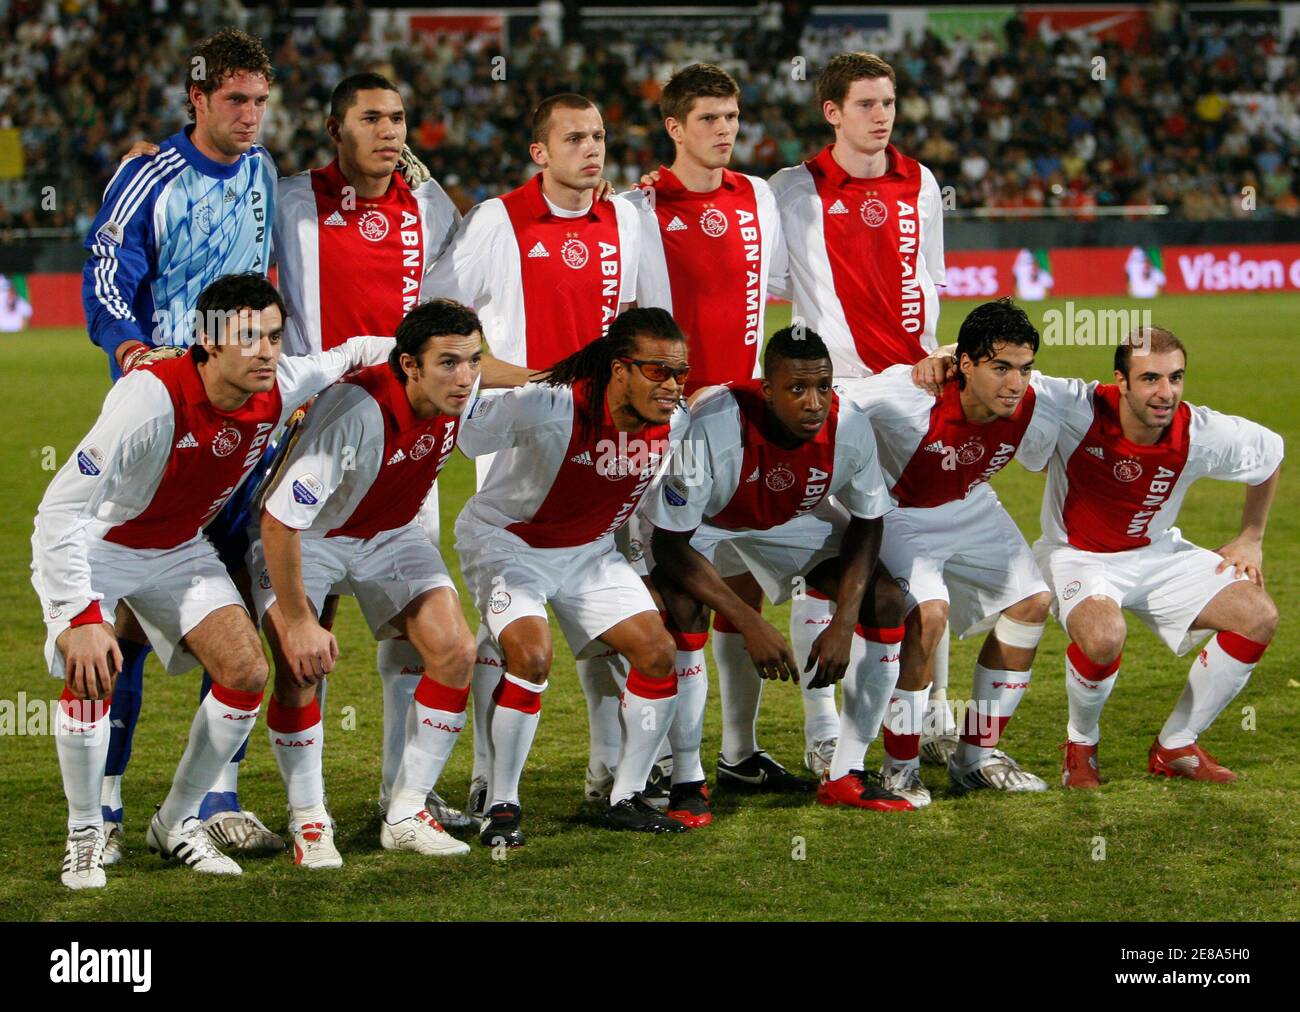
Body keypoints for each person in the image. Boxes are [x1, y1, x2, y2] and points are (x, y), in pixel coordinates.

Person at [33, 273, 396, 889]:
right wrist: (80, 615)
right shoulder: (146, 399)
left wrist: (437, 354)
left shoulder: (279, 387)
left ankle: (175, 821)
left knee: (247, 671)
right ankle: (85, 830)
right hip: (104, 548)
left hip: (178, 551)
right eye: (249, 336)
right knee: (93, 665)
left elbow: (356, 352)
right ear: (207, 339)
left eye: (275, 337)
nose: (266, 351)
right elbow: (59, 510)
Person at [80, 28, 283, 861]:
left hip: (243, 428)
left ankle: (217, 797)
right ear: (196, 100)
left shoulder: (265, 173)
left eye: (261, 102)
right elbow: (104, 265)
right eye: (235, 100)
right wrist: (130, 348)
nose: (250, 117)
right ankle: (108, 800)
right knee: (124, 617)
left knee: (236, 599)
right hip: (161, 418)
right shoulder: (150, 175)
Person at [420, 93, 640, 818]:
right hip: (519, 434)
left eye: (599, 135)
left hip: (606, 442)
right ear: (539, 152)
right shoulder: (498, 221)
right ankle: (487, 776)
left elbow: (637, 321)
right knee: (505, 614)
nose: (592, 148)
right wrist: (507, 378)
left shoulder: (625, 219)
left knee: (601, 601)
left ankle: (608, 771)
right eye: (574, 137)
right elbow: (438, 319)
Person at [616, 63, 809, 804]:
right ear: (674, 128)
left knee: (741, 588)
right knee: (677, 599)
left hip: (743, 422)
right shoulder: (636, 209)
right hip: (672, 425)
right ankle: (670, 765)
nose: (725, 130)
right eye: (708, 119)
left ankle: (737, 753)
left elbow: (780, 289)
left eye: (732, 117)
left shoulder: (759, 197)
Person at [770, 51, 958, 771]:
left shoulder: (923, 182)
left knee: (923, 555)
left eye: (889, 103)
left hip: (915, 394)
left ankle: (931, 710)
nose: (882, 117)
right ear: (832, 112)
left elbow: (931, 279)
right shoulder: (794, 191)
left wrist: (938, 355)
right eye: (866, 105)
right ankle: (823, 732)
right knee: (829, 560)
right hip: (839, 398)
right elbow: (772, 279)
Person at [250, 300, 484, 865]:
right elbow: (280, 519)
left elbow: (493, 377)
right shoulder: (357, 411)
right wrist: (301, 623)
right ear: (409, 365)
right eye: (449, 363)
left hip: (389, 534)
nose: (466, 377)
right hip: (310, 535)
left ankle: (405, 809)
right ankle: (308, 817)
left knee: (455, 651)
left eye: (473, 361)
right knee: (301, 663)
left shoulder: (460, 388)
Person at [644, 326, 911, 822]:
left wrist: (844, 622)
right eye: (797, 389)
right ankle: (686, 778)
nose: (814, 403)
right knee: (683, 609)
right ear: (767, 390)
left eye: (824, 386)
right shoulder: (711, 428)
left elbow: (869, 523)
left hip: (787, 519)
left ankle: (845, 774)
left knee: (887, 600)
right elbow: (670, 543)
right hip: (700, 526)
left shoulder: (848, 425)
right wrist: (750, 621)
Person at [452, 308, 691, 844]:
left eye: (680, 374)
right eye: (657, 371)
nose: (672, 386)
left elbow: (649, 505)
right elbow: (467, 431)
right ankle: (502, 804)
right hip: (508, 544)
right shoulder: (552, 405)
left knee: (656, 651)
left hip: (588, 552)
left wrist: (644, 569)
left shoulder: (677, 423)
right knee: (532, 656)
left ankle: (625, 796)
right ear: (619, 369)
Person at [843, 298, 1071, 804]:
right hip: (902, 512)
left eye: (1024, 368)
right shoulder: (906, 395)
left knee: (1032, 601)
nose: (1015, 383)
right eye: (1000, 368)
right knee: (928, 615)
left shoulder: (1037, 399)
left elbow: (1098, 403)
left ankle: (976, 757)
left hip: (970, 502)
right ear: (964, 365)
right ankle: (898, 768)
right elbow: (829, 400)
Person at [1035, 328, 1281, 787]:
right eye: (1150, 378)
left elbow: (1270, 454)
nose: (1165, 393)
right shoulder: (1076, 406)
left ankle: (1176, 744)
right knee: (1105, 636)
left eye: (1175, 378)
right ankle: (1081, 746)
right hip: (1077, 556)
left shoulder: (1201, 431)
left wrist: (1252, 536)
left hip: (1154, 552)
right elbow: (1005, 373)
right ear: (1120, 381)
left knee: (1258, 614)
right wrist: (949, 355)